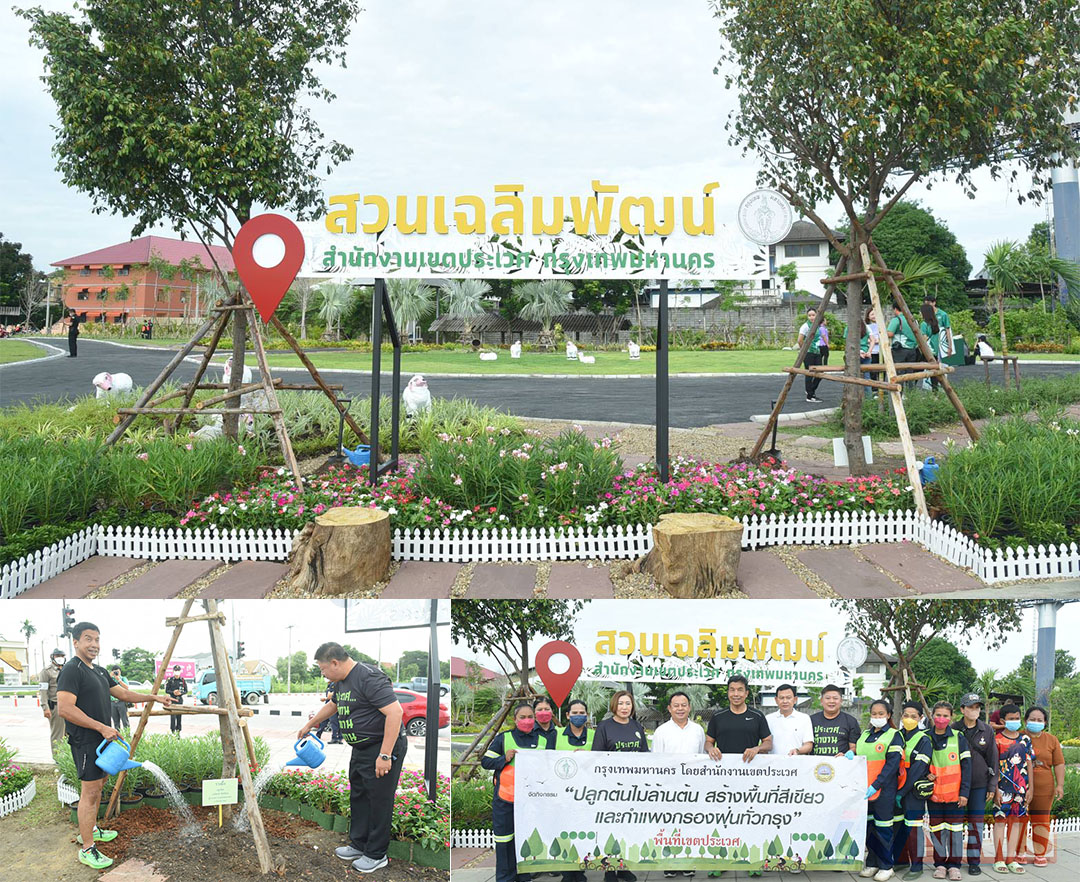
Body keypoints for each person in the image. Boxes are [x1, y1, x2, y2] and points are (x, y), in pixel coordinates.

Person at [56, 622, 173, 870]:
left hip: (103, 740)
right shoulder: (72, 669)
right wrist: (101, 727)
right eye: (88, 639)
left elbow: (124, 694)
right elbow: (65, 709)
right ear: (75, 642)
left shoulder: (99, 671)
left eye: (97, 639)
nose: (94, 644)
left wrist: (154, 697)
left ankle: (92, 830)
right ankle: (87, 848)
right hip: (86, 740)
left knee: (99, 786)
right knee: (89, 792)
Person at [299, 642, 406, 874]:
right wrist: (311, 723)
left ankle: (376, 855)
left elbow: (395, 712)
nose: (323, 674)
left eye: (323, 669)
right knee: (359, 795)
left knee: (379, 800)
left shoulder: (369, 677)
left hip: (381, 747)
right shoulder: (341, 682)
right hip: (360, 748)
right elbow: (333, 705)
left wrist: (385, 754)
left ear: (335, 663)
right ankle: (358, 844)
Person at [481, 702, 545, 882]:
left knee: (526, 840)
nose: (527, 720)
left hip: (531, 802)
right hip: (505, 800)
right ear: (515, 719)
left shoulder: (542, 740)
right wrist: (504, 758)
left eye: (530, 717)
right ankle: (505, 878)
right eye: (522, 717)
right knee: (504, 841)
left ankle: (524, 877)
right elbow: (485, 762)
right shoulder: (503, 738)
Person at [593, 691, 648, 881]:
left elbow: (645, 754)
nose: (625, 707)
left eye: (628, 703)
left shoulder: (636, 726)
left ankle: (623, 867)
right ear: (614, 705)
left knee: (628, 828)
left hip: (633, 789)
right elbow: (596, 756)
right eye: (621, 703)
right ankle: (609, 870)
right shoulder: (604, 726)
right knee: (610, 829)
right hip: (610, 788)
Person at [652, 691, 705, 880]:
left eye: (684, 705)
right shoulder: (661, 731)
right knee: (668, 825)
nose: (680, 709)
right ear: (669, 708)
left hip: (692, 788)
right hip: (669, 787)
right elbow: (656, 761)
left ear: (689, 707)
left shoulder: (698, 730)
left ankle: (688, 862)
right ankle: (669, 863)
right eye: (676, 705)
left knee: (690, 824)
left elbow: (701, 756)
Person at [856, 699, 905, 882]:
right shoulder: (865, 734)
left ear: (888, 715)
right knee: (869, 829)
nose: (877, 717)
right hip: (864, 790)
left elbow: (892, 765)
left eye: (881, 714)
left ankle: (886, 866)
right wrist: (850, 757)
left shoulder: (894, 735)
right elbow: (860, 758)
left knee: (883, 828)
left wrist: (876, 785)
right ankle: (872, 863)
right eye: (874, 714)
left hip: (884, 790)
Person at [926, 701, 971, 882]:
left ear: (951, 717)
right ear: (932, 716)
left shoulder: (959, 737)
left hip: (955, 796)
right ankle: (940, 864)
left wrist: (964, 793)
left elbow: (967, 767)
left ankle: (954, 866)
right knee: (936, 831)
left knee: (955, 833)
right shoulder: (925, 737)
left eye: (945, 715)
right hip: (934, 795)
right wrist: (926, 774)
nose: (941, 719)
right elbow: (919, 763)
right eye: (938, 715)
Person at [953, 694, 998, 876]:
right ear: (962, 709)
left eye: (977, 707)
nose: (974, 711)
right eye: (970, 707)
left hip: (979, 784)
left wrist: (992, 785)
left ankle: (974, 861)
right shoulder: (954, 729)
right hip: (956, 785)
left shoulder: (986, 730)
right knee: (955, 824)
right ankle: (954, 861)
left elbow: (993, 759)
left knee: (976, 824)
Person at [555, 700, 594, 882]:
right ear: (568, 715)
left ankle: (580, 871)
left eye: (582, 713)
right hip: (563, 794)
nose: (579, 716)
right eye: (575, 713)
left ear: (587, 715)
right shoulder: (556, 735)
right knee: (565, 833)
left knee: (582, 833)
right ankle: (567, 873)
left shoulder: (594, 735)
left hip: (587, 794)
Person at [893, 701, 933, 880]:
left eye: (913, 716)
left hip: (913, 790)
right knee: (898, 826)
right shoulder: (897, 736)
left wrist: (902, 791)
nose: (909, 719)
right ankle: (900, 861)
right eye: (906, 716)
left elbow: (918, 769)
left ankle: (917, 867)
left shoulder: (924, 739)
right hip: (896, 787)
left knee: (913, 828)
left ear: (921, 718)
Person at [992, 704, 1034, 873]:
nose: (1015, 721)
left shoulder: (1025, 740)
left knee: (1016, 822)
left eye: (1017, 718)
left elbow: (1029, 763)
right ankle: (998, 859)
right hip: (1002, 789)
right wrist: (995, 789)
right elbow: (994, 767)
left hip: (1021, 789)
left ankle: (1011, 859)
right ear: (1003, 721)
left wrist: (1030, 788)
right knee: (1000, 821)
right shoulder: (996, 740)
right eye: (1011, 719)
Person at [1021, 707, 1063, 868]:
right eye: (1032, 719)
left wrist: (1060, 785)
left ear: (1045, 722)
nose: (1036, 722)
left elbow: (1059, 763)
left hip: (1044, 787)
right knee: (1019, 819)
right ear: (1025, 720)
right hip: (1020, 786)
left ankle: (1040, 854)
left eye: (1040, 720)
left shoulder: (1051, 740)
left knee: (1041, 820)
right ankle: (1019, 852)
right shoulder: (1018, 737)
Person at [811, 684, 861, 756]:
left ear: (841, 700)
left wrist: (846, 754)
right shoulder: (811, 720)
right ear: (821, 701)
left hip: (841, 762)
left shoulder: (850, 721)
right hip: (815, 762)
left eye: (835, 698)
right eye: (828, 698)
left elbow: (854, 747)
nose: (831, 701)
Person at [766, 684, 813, 756]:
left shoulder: (804, 718)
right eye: (781, 698)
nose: (785, 701)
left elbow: (809, 745)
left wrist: (797, 751)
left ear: (795, 699)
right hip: (773, 762)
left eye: (788, 698)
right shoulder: (768, 719)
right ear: (776, 700)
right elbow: (764, 743)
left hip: (796, 761)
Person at [39, 648, 67, 753]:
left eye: (62, 656)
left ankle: (67, 757)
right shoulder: (47, 671)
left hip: (69, 706)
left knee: (68, 734)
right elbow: (43, 691)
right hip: (56, 706)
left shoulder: (66, 669)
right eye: (57, 656)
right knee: (58, 735)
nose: (60, 658)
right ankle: (58, 758)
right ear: (52, 657)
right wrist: (45, 708)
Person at [797, 307, 826, 403]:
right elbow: (800, 340)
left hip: (817, 351)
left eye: (813, 315)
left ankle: (810, 390)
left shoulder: (817, 326)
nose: (811, 317)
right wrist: (804, 350)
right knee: (809, 373)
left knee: (820, 372)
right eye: (809, 315)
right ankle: (810, 396)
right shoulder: (805, 326)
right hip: (808, 352)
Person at [919, 302, 942, 392]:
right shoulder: (936, 324)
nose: (919, 313)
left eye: (920, 312)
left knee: (916, 370)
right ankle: (935, 393)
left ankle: (910, 390)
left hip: (926, 351)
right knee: (934, 374)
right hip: (934, 351)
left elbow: (924, 339)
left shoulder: (924, 324)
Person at [315, 679, 343, 744]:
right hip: (328, 706)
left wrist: (325, 698)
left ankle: (336, 738)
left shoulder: (334, 684)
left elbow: (331, 695)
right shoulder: (330, 684)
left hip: (333, 707)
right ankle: (318, 734)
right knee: (324, 721)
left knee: (334, 722)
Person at [926, 294, 953, 361]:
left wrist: (950, 346)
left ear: (934, 303)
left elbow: (948, 331)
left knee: (940, 364)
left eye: (929, 303)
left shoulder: (943, 314)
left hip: (940, 345)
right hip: (929, 345)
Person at [164, 665, 187, 733]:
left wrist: (180, 693)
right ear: (173, 671)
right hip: (172, 700)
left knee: (179, 716)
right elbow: (167, 690)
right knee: (173, 717)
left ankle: (178, 731)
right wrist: (173, 692)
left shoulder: (182, 680)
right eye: (176, 670)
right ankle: (173, 731)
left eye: (178, 670)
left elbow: (186, 690)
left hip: (179, 700)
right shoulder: (170, 680)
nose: (177, 672)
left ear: (180, 671)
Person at [109, 666, 130, 731]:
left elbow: (126, 687)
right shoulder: (110, 679)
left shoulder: (123, 678)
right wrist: (109, 677)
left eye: (117, 671)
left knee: (125, 720)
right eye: (114, 671)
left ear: (120, 671)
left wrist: (119, 680)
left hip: (121, 702)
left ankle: (127, 735)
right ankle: (118, 735)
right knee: (115, 721)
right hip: (112, 702)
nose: (116, 673)